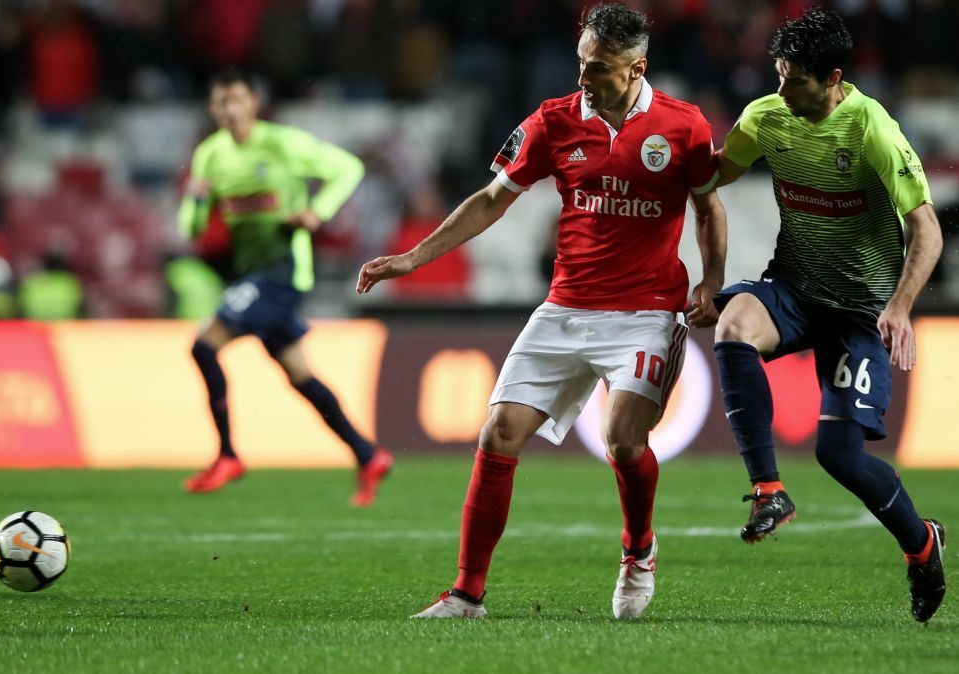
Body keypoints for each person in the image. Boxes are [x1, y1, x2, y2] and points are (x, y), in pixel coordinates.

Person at [358, 3, 726, 619]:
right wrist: (412, 258)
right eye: (581, 63)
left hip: (646, 311)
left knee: (623, 439)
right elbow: (491, 200)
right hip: (564, 307)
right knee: (497, 435)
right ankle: (467, 595)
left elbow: (709, 211)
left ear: (637, 68)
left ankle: (638, 549)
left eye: (600, 69)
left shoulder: (683, 126)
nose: (584, 78)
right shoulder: (553, 122)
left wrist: (712, 282)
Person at [711, 8, 946, 623]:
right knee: (733, 327)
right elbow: (712, 173)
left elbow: (927, 229)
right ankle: (768, 490)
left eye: (795, 81)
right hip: (793, 288)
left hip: (859, 312)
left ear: (834, 77)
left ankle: (921, 545)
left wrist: (899, 306)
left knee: (838, 457)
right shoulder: (766, 117)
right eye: (778, 75)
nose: (782, 91)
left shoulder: (872, 129)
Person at [178, 69, 393, 506]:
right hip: (250, 273)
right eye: (221, 103)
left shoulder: (281, 143)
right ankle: (367, 454)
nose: (230, 110)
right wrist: (198, 200)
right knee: (300, 376)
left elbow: (348, 168)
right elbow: (191, 227)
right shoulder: (210, 155)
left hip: (283, 271)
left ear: (253, 102)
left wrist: (317, 212)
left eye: (237, 100)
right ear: (212, 109)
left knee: (204, 346)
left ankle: (227, 455)